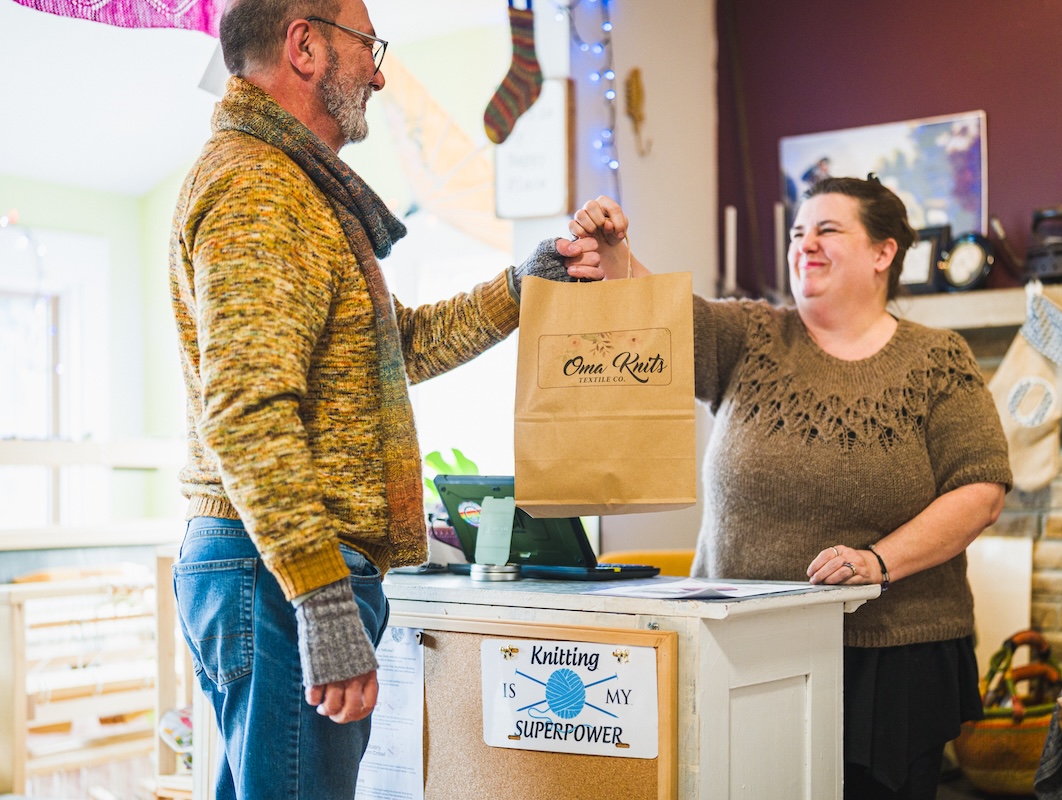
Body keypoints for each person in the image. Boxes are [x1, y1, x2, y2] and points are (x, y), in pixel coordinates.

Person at [168, 1, 605, 796]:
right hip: (278, 575)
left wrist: (521, 285)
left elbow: (393, 345)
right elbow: (246, 413)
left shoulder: (290, 185)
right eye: (367, 46)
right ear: (305, 45)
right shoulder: (260, 187)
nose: (377, 73)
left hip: (269, 571)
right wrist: (320, 597)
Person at [566, 177, 1013, 800]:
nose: (806, 243)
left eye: (828, 229)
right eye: (799, 232)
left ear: (883, 252)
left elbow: (981, 491)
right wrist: (617, 258)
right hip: (740, 641)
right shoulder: (750, 335)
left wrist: (877, 562)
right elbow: (661, 317)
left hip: (893, 656)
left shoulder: (937, 360)